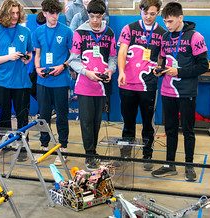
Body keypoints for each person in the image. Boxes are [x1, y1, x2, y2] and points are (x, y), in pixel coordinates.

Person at [151, 2, 208, 182]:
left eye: (170, 21)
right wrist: (158, 69)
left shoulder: (195, 36)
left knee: (188, 130)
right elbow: (163, 60)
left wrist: (180, 72)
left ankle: (189, 165)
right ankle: (170, 164)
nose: (167, 25)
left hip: (186, 91)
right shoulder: (165, 37)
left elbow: (203, 66)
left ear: (180, 18)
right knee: (170, 129)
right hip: (167, 91)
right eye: (165, 21)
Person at [117, 0, 166, 170]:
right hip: (127, 83)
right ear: (140, 10)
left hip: (148, 85)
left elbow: (161, 57)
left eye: (152, 14)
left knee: (147, 123)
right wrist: (121, 72)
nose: (148, 17)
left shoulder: (162, 32)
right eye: (146, 13)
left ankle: (147, 155)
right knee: (128, 122)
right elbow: (122, 51)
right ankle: (125, 154)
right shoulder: (129, 28)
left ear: (158, 13)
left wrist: (160, 68)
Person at [68, 0, 117, 170]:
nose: (95, 20)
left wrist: (110, 70)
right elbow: (73, 60)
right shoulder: (79, 33)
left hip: (102, 85)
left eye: (98, 16)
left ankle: (93, 151)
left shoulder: (109, 32)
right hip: (84, 84)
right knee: (87, 121)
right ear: (87, 15)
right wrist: (86, 72)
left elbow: (112, 57)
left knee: (97, 121)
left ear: (103, 15)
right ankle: (89, 154)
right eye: (92, 16)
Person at [0, 0, 33, 162]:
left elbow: (30, 52)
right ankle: (5, 144)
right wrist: (9, 57)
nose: (15, 16)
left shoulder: (25, 31)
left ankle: (22, 147)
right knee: (4, 116)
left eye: (17, 13)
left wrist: (27, 58)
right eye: (12, 13)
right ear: (4, 14)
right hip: (2, 82)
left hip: (21, 83)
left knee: (22, 117)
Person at [33, 0, 73, 165]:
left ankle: (63, 147)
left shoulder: (67, 31)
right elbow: (37, 54)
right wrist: (37, 68)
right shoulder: (38, 32)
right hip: (43, 81)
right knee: (43, 116)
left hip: (61, 81)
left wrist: (63, 66)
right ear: (44, 13)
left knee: (62, 116)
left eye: (57, 13)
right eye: (51, 13)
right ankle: (44, 145)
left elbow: (73, 55)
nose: (54, 16)